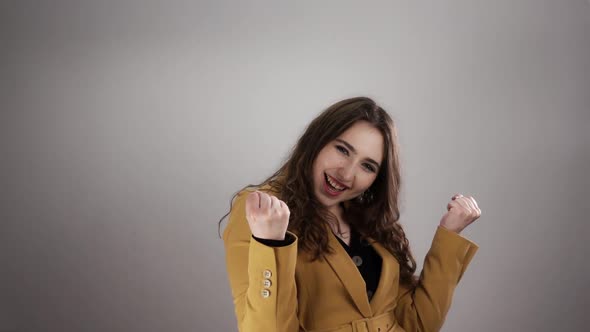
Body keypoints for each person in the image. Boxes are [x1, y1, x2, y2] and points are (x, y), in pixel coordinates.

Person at [219, 97, 481, 332]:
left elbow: (418, 324)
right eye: (343, 150)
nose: (346, 174)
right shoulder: (263, 210)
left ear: (376, 179)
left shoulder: (368, 222)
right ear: (318, 140)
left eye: (367, 166)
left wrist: (450, 235)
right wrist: (270, 244)